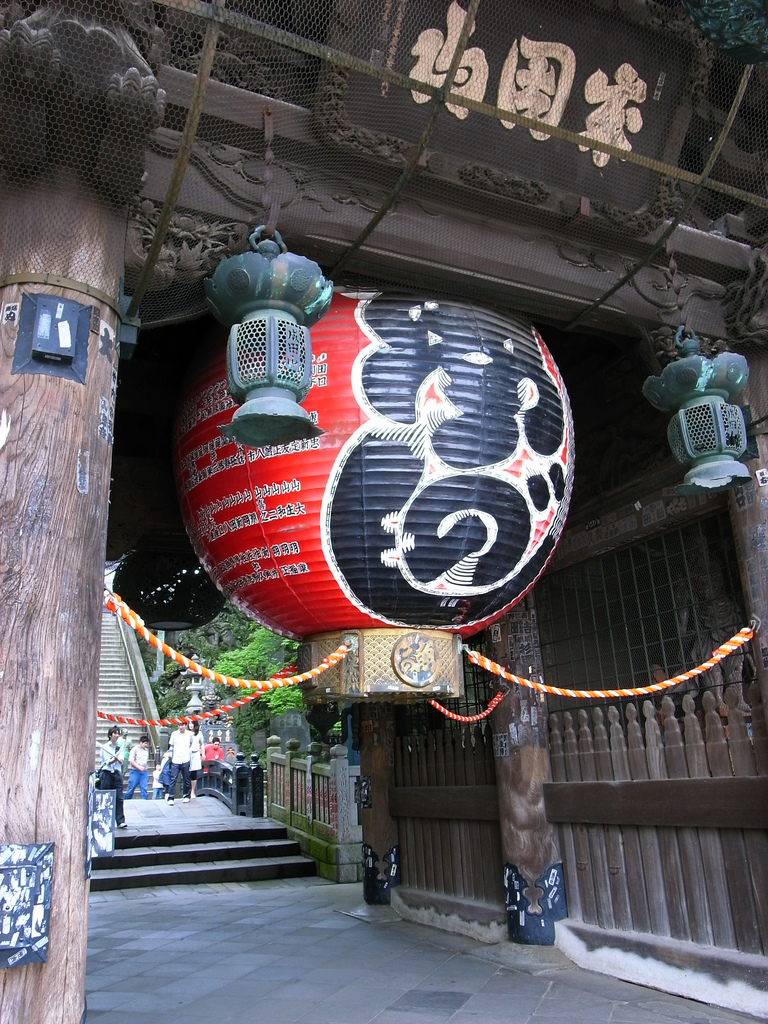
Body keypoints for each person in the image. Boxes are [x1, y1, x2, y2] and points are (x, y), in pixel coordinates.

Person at [99, 726, 126, 828]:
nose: (116, 735)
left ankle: (120, 821)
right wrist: (114, 759)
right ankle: (104, 819)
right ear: (110, 735)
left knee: (119, 797)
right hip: (106, 773)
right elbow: (107, 762)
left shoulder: (120, 747)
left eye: (118, 733)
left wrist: (118, 759)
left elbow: (122, 760)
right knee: (105, 796)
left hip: (116, 773)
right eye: (114, 733)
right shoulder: (105, 747)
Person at [166, 721, 192, 804]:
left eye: (182, 725)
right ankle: (171, 797)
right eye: (179, 725)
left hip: (185, 758)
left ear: (185, 725)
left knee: (186, 778)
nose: (180, 727)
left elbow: (191, 743)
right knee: (173, 778)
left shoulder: (189, 734)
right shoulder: (174, 734)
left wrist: (189, 751)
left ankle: (186, 795)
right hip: (176, 759)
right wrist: (170, 752)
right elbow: (171, 745)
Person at [124, 735, 150, 800]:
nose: (146, 745)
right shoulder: (134, 749)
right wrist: (138, 767)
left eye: (147, 743)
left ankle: (144, 801)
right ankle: (126, 800)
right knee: (131, 787)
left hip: (144, 771)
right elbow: (131, 760)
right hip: (135, 771)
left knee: (144, 787)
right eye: (145, 743)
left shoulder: (146, 750)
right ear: (140, 742)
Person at [188, 721, 203, 799]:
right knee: (187, 772)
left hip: (196, 753)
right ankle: (187, 790)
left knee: (194, 773)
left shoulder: (199, 733)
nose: (190, 725)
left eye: (192, 723)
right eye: (189, 723)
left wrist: (203, 753)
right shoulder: (187, 733)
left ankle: (192, 791)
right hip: (187, 754)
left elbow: (202, 743)